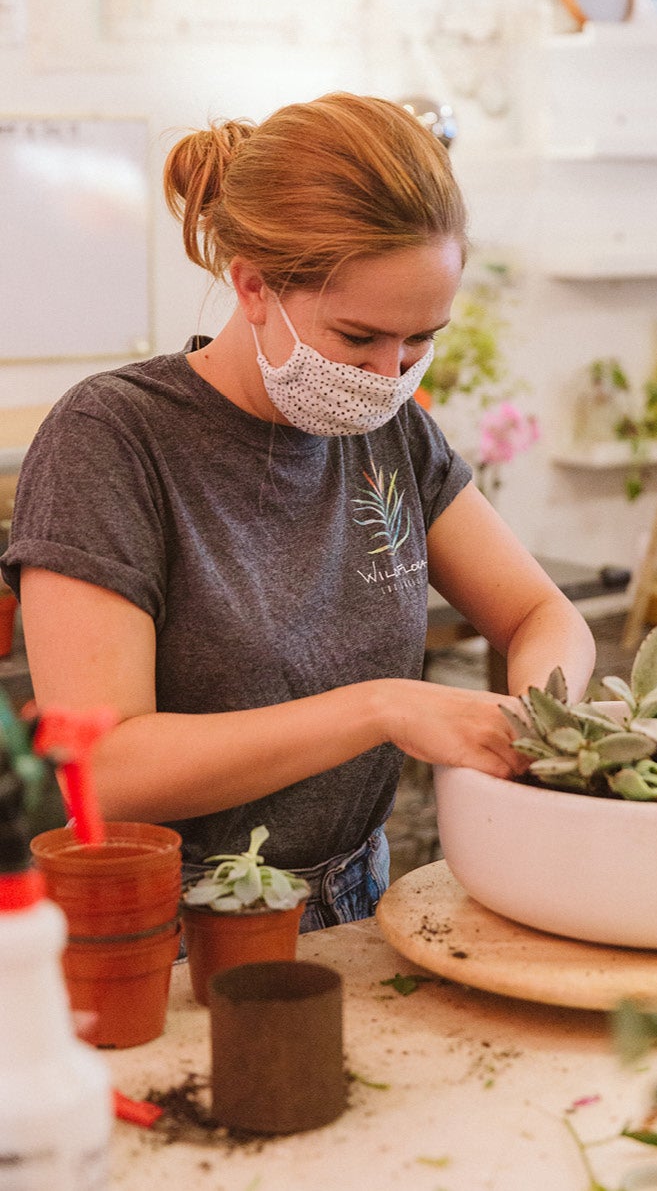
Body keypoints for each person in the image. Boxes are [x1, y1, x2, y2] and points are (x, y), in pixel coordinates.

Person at [0, 92, 595, 929]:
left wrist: (544, 723)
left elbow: (541, 613)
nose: (389, 373)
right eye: (358, 338)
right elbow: (104, 767)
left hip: (360, 897)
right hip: (175, 928)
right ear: (252, 286)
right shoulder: (113, 438)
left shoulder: (394, 432)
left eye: (421, 339)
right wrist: (384, 707)